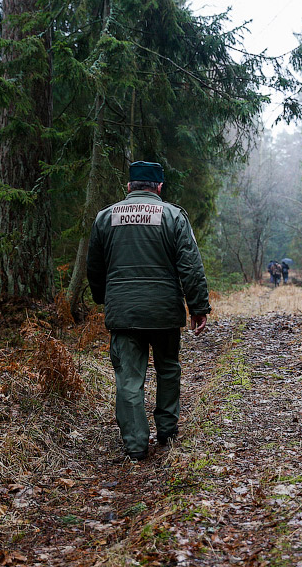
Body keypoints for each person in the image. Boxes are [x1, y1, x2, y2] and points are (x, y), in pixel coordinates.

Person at [86, 161, 211, 462]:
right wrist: (198, 306)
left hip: (123, 313)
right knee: (168, 369)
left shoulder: (105, 218)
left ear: (129, 186)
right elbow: (190, 266)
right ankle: (166, 433)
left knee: (128, 379)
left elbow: (95, 268)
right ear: (159, 187)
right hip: (164, 311)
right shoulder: (173, 216)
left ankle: (135, 446)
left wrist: (106, 299)